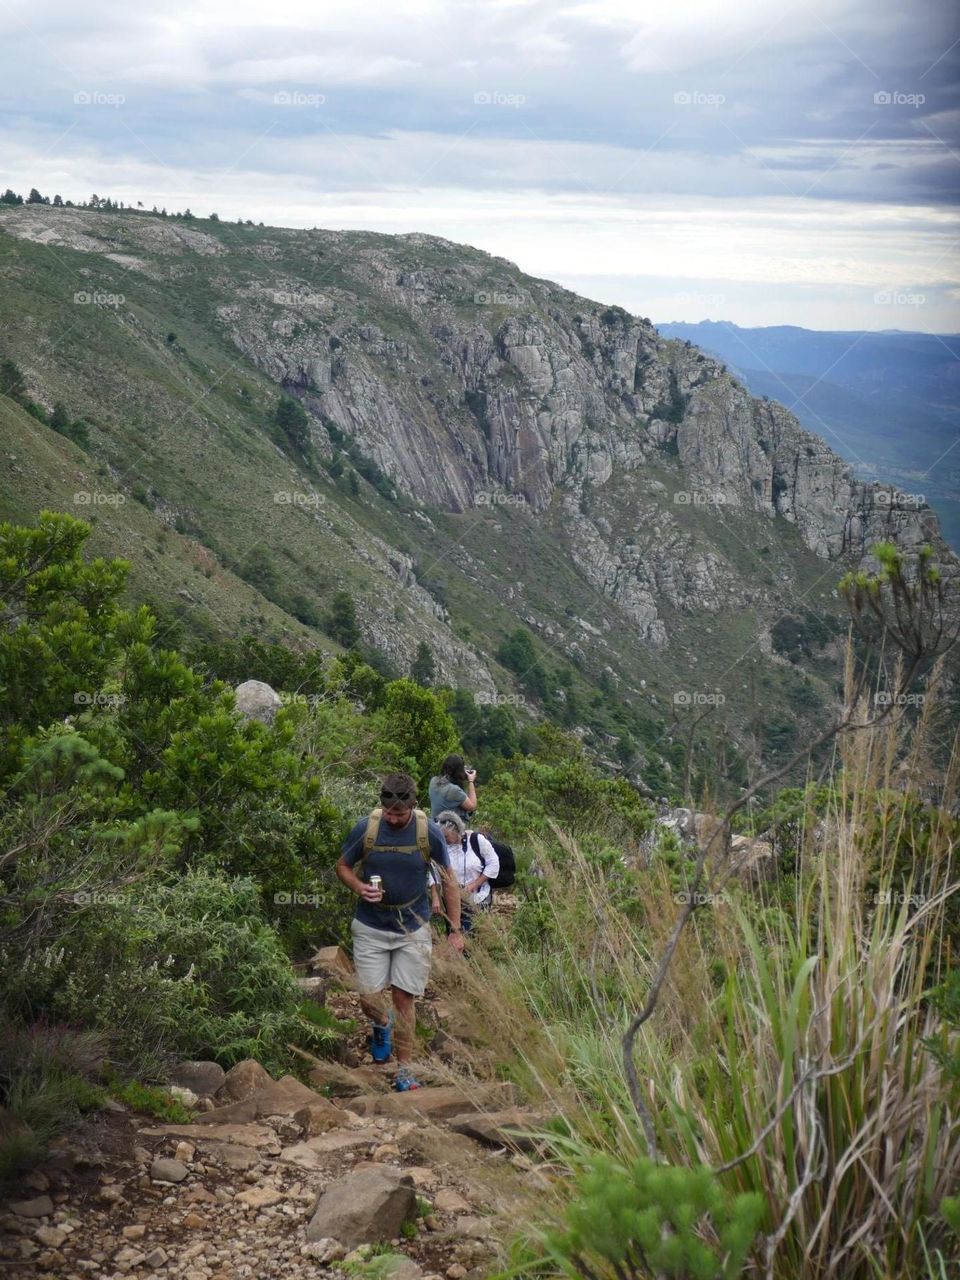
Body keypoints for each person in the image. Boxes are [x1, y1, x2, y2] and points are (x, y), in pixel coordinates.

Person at [336, 772, 464, 1091]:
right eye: (389, 813)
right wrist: (358, 887)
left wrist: (455, 929)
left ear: (412, 805)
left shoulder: (428, 832)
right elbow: (342, 866)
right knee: (369, 999)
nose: (393, 819)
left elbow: (448, 880)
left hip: (413, 926)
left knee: (404, 998)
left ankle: (405, 1070)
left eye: (399, 814)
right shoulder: (366, 828)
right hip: (370, 925)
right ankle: (381, 1024)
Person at [435, 810, 500, 935]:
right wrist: (436, 896)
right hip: (452, 902)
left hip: (478, 898)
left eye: (446, 836)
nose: (444, 840)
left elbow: (493, 863)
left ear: (456, 830)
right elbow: (436, 874)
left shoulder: (476, 840)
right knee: (455, 935)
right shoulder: (442, 847)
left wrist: (474, 885)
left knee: (476, 934)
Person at [428, 754, 477, 824]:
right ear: (459, 772)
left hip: (435, 825)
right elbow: (472, 806)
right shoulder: (454, 790)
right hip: (450, 830)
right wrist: (471, 781)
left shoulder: (433, 781)